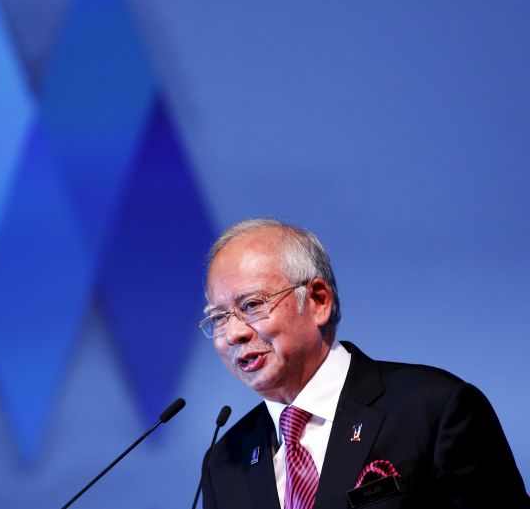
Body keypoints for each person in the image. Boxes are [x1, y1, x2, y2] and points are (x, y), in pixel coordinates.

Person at [199, 218, 528, 509]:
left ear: (318, 300)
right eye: (218, 318)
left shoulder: (433, 409)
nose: (233, 333)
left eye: (253, 305)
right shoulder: (225, 461)